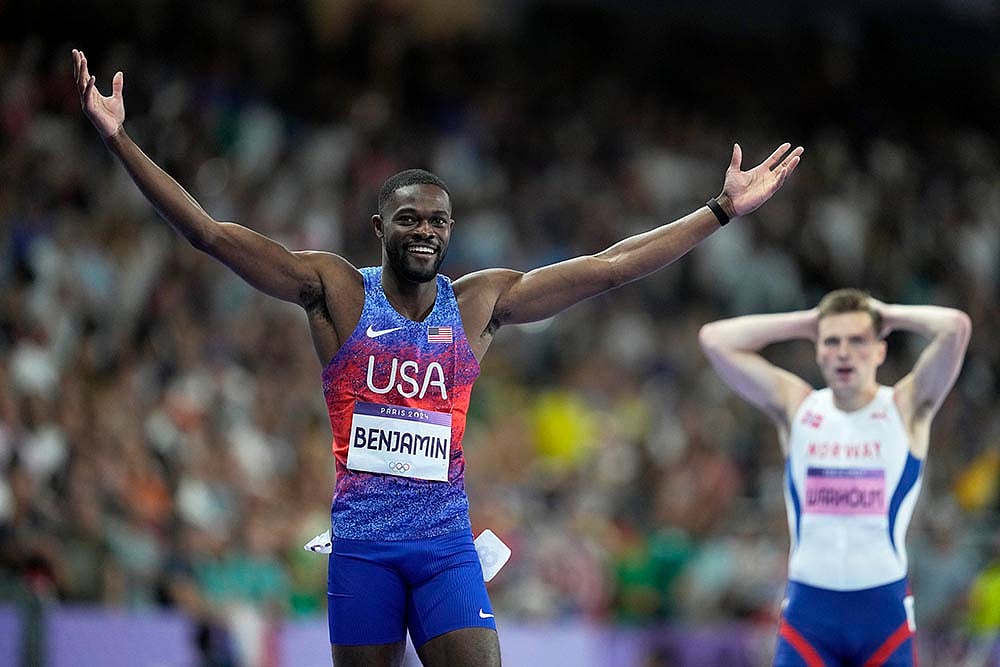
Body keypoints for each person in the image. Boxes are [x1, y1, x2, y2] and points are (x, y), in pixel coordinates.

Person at [72, 48, 802, 667]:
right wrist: (119, 141)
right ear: (379, 224)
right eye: (410, 218)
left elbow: (612, 265)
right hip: (363, 552)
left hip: (446, 548)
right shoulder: (334, 291)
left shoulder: (478, 303)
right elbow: (206, 232)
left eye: (439, 220)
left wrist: (718, 211)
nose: (426, 230)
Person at [699, 289, 971, 666]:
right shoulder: (798, 405)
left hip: (882, 614)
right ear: (817, 350)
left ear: (880, 350)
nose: (843, 352)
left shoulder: (906, 407)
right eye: (832, 341)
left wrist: (887, 314)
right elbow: (715, 339)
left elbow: (955, 328)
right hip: (811, 615)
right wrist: (807, 322)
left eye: (857, 340)